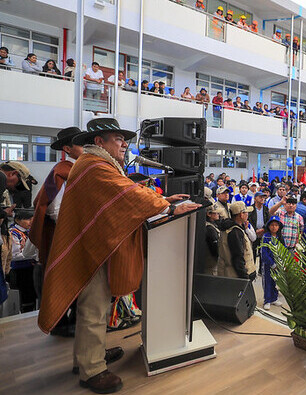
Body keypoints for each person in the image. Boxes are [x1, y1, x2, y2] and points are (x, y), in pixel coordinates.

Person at [38, 117, 200, 394]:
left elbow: (128, 192)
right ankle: (92, 370)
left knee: (94, 308)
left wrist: (162, 203)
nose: (125, 143)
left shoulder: (96, 164)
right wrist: (168, 208)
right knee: (93, 309)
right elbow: (127, 194)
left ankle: (89, 357)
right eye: (118, 138)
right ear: (99, 142)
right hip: (91, 251)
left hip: (95, 246)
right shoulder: (94, 166)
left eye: (125, 139)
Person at [28, 126, 85, 335]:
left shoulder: (78, 169)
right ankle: (60, 324)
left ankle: (73, 323)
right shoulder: (62, 170)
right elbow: (54, 208)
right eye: (81, 144)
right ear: (68, 148)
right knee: (62, 280)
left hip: (72, 234)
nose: (85, 148)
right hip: (63, 236)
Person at [9, 209, 38, 313]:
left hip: (31, 267)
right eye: (28, 219)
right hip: (20, 269)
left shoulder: (30, 231)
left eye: (32, 219)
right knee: (25, 297)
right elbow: (14, 255)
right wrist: (34, 255)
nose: (31, 222)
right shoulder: (13, 232)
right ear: (17, 220)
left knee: (33, 294)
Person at [218, 201, 256, 280]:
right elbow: (237, 257)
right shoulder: (235, 232)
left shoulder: (231, 228)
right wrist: (245, 277)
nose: (247, 215)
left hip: (230, 273)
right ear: (241, 214)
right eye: (246, 212)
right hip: (235, 276)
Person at [261, 216, 284, 310]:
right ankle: (267, 300)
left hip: (277, 264)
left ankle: (274, 298)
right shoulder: (265, 237)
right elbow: (264, 253)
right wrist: (272, 264)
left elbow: (283, 250)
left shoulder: (280, 237)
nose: (274, 227)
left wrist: (281, 262)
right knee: (267, 282)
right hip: (267, 265)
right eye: (272, 225)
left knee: (275, 281)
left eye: (276, 225)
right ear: (268, 226)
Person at [203, 205, 220, 275]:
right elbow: (215, 248)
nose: (218, 215)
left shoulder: (212, 225)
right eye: (216, 213)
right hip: (211, 265)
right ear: (209, 214)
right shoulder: (210, 229)